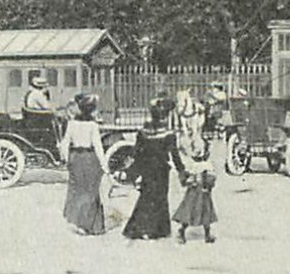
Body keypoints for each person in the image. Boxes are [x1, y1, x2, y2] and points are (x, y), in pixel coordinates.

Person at [125, 98, 186, 241]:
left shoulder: (143, 131)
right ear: (165, 116)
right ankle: (156, 229)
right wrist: (181, 171)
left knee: (146, 196)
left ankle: (139, 227)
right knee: (159, 197)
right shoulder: (168, 134)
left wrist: (132, 169)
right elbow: (174, 155)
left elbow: (136, 151)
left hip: (146, 168)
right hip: (161, 169)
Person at [61, 94, 110, 235]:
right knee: (91, 191)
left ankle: (76, 220)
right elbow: (98, 146)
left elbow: (65, 141)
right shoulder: (93, 125)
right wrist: (104, 164)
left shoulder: (72, 123)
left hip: (75, 157)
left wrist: (65, 158)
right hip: (89, 158)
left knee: (77, 189)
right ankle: (89, 225)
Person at [174, 167, 218, 244]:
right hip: (193, 192)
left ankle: (207, 234)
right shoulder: (190, 165)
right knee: (189, 211)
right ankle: (182, 231)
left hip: (204, 193)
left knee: (206, 212)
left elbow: (211, 176)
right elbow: (184, 177)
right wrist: (189, 180)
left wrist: (208, 183)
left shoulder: (207, 165)